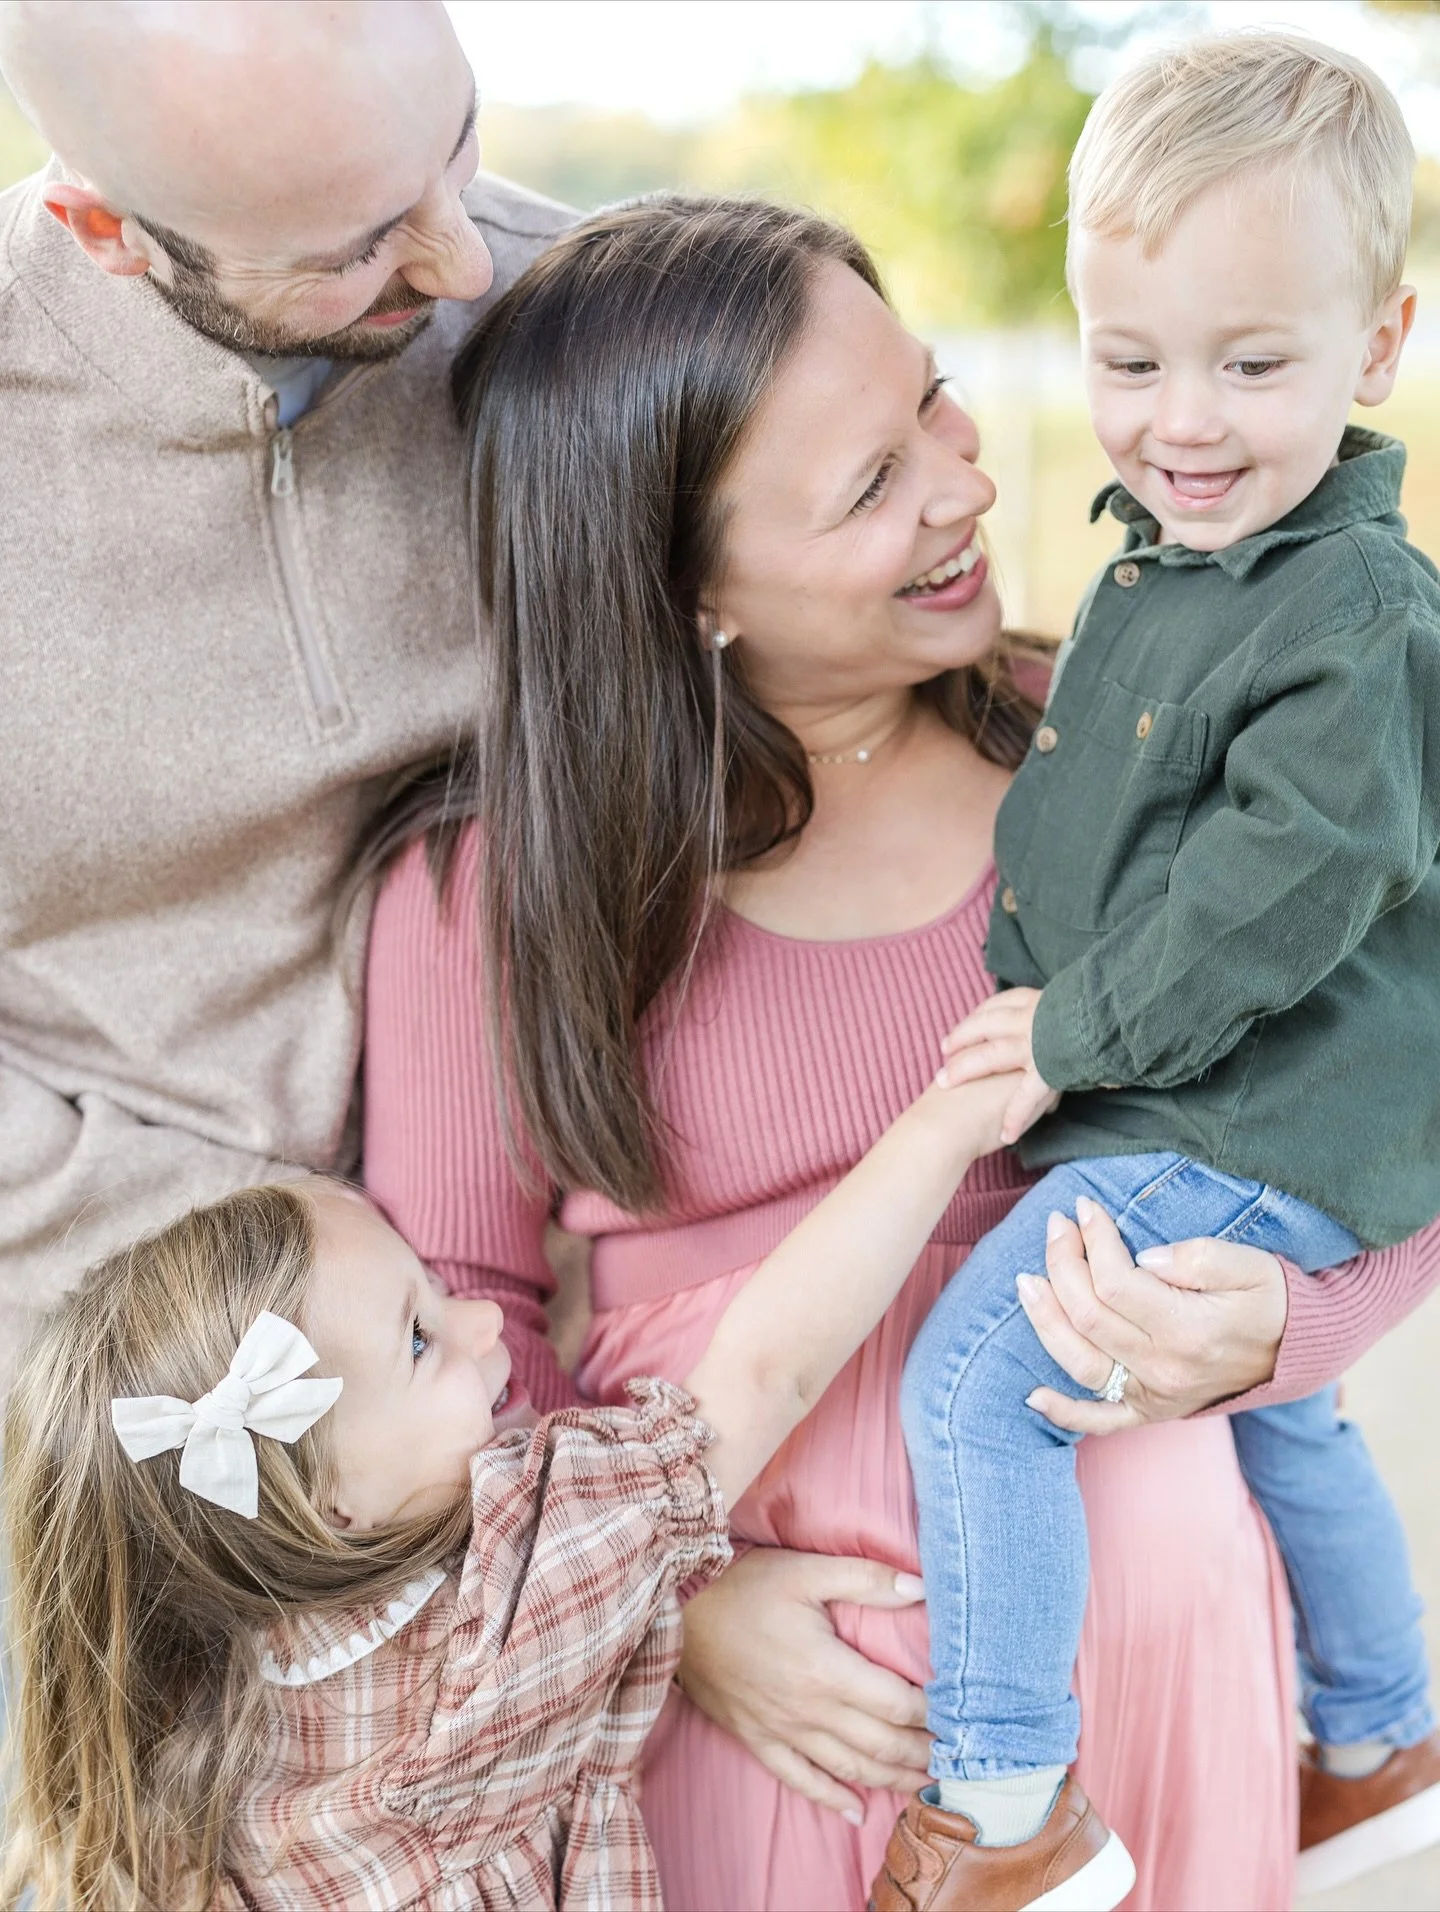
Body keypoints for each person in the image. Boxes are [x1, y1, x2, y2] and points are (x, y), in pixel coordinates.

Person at [362, 194, 1440, 1910]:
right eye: (870, 483)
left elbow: (1382, 1092)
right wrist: (662, 1609)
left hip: (1157, 1681)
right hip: (787, 1723)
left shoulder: (1121, 743)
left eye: (934, 401)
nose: (966, 481)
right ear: (682, 582)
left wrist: (1289, 1329)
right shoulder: (500, 884)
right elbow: (451, 1322)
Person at [879, 34, 1440, 1909]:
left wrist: (1073, 1036)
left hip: (1227, 1100)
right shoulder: (1169, 566)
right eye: (1130, 361)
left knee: (973, 1382)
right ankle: (1380, 1735)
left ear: (1378, 346)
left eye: (1252, 362)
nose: (1179, 421)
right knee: (1288, 1407)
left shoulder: (1354, 613)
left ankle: (1012, 1800)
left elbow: (1294, 883)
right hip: (1219, 1097)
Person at [4, 1056, 1024, 1910]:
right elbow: (763, 1374)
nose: (486, 1326)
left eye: (437, 1292)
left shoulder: (197, 1723)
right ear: (327, 1507)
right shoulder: (516, 1592)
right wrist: (946, 1123)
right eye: (420, 1338)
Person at [0, 0, 570, 1372]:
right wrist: (289, 1267)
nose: (467, 260)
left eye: (459, 143)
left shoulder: (577, 316)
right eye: (357, 246)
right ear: (108, 233)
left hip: (584, 1301)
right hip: (142, 1365)